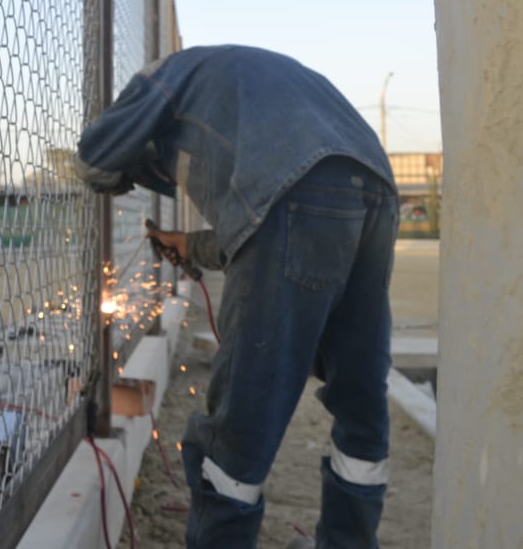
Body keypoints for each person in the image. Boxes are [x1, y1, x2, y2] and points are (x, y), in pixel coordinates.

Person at [75, 45, 399, 549]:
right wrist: (188, 246)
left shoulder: (160, 79)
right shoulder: (247, 98)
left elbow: (92, 158)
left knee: (240, 424)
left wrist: (112, 175)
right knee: (360, 400)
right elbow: (276, 231)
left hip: (301, 193)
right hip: (375, 185)